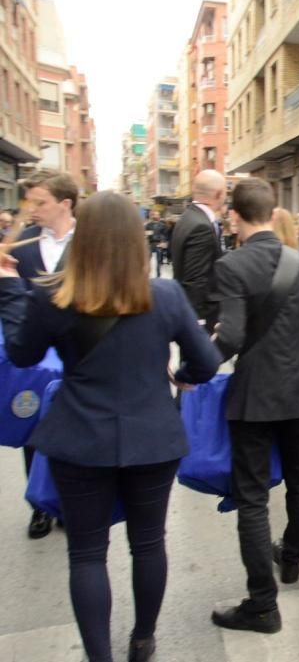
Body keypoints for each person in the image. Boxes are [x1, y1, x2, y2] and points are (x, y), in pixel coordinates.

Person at [0, 190, 221, 662]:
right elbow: (206, 361)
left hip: (79, 438)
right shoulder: (165, 295)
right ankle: (143, 640)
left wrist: (8, 286)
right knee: (148, 543)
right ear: (135, 240)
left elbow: (20, 354)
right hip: (153, 436)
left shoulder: (53, 296)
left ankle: (99, 655)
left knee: (86, 552)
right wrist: (179, 377)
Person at [210, 178, 299, 634]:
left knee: (252, 499)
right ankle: (291, 560)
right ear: (272, 212)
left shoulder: (231, 265)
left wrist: (195, 369)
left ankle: (263, 604)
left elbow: (227, 337)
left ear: (234, 216)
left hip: (254, 394)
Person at [10, 169, 78, 540]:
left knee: (71, 427)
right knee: (33, 428)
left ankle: (68, 502)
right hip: (35, 354)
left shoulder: (90, 240)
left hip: (78, 354)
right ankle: (39, 507)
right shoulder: (21, 242)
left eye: (41, 202)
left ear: (65, 204)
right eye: (30, 202)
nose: (32, 209)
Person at [170, 169, 227, 331]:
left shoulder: (187, 218)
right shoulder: (201, 226)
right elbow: (195, 280)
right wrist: (198, 322)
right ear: (218, 194)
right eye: (225, 193)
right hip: (202, 319)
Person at [144, 210, 169, 278]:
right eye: (155, 214)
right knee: (147, 260)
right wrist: (147, 242)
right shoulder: (148, 225)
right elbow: (146, 235)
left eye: (158, 215)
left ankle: (158, 276)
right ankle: (147, 275)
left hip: (159, 244)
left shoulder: (163, 225)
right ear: (152, 216)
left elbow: (166, 235)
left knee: (159, 261)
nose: (156, 216)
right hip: (151, 244)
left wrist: (164, 243)